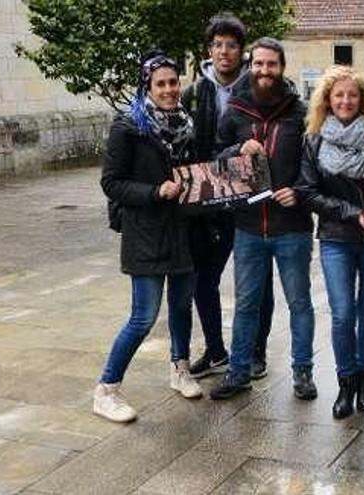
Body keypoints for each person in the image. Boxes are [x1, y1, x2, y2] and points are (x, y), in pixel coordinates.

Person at [95, 51, 202, 422]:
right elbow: (111, 183)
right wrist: (156, 192)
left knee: (181, 308)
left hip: (183, 230)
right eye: (161, 84)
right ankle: (106, 389)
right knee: (143, 317)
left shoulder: (186, 123)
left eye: (174, 82)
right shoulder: (128, 127)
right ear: (148, 87)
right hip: (146, 235)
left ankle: (180, 368)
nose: (170, 90)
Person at [209, 38, 317, 401]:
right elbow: (215, 158)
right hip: (249, 227)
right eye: (258, 64)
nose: (264, 71)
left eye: (271, 65)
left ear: (282, 67)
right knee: (246, 304)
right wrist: (238, 149)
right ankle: (238, 372)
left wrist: (300, 191)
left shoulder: (301, 112)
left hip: (293, 227)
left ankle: (302, 372)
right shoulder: (235, 110)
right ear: (250, 66)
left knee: (299, 303)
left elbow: (315, 164)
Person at [295, 65, 364, 419]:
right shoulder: (314, 140)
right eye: (339, 95)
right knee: (342, 314)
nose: (346, 100)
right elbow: (306, 192)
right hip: (337, 236)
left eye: (353, 94)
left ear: (363, 100)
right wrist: (355, 214)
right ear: (327, 100)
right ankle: (345, 382)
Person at [181, 14, 276, 382]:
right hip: (210, 197)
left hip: (252, 199)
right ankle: (216, 349)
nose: (224, 51)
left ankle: (256, 352)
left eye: (232, 45)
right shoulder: (194, 91)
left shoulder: (259, 89)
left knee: (257, 283)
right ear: (209, 50)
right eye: (218, 45)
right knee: (204, 279)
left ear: (242, 51)